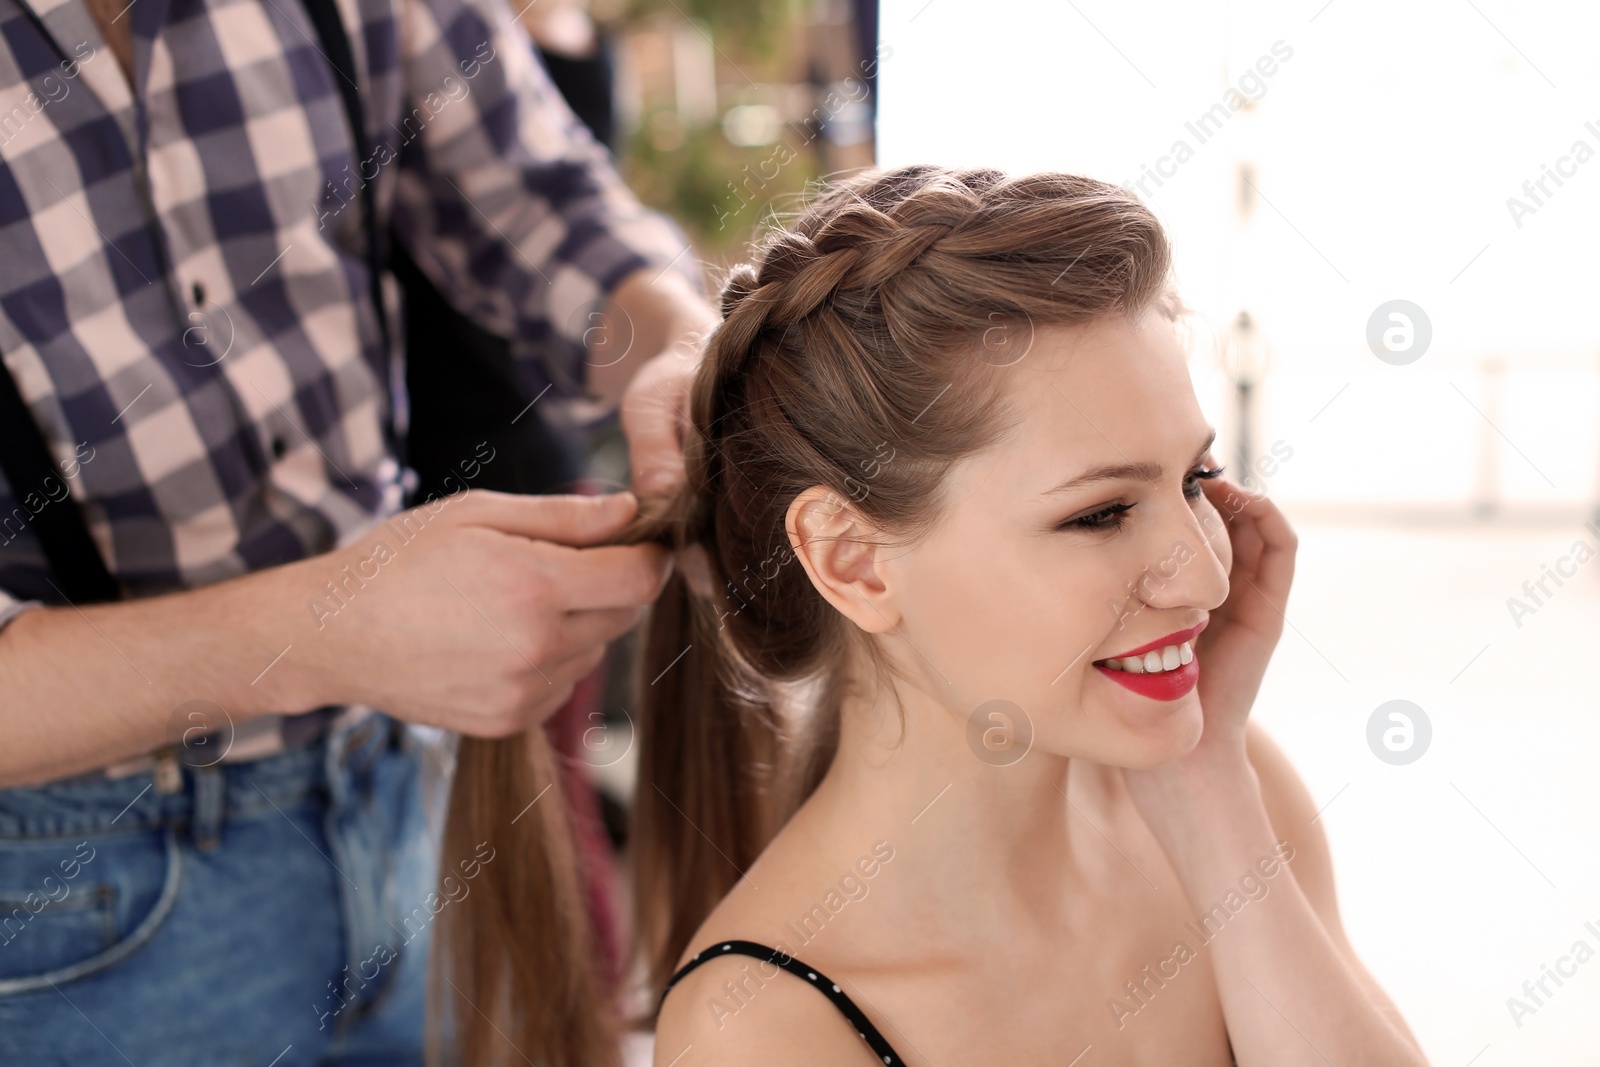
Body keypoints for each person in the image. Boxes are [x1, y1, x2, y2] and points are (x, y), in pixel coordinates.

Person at [0, 0, 713, 1058]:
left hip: (413, 803)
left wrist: (680, 350)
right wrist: (330, 629)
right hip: (75, 893)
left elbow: (548, 210)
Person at [591, 165, 1427, 1065]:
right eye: (1100, 513)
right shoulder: (764, 1031)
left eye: (1195, 480)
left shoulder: (1230, 780)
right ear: (852, 559)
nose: (1207, 581)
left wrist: (1211, 788)